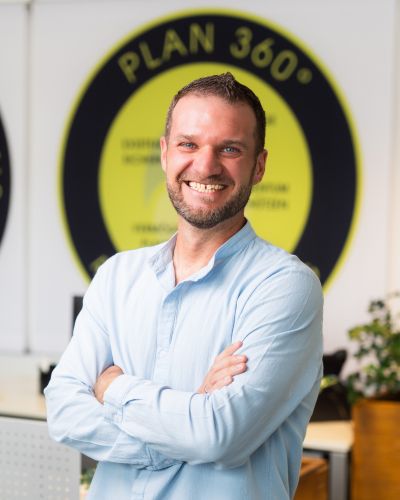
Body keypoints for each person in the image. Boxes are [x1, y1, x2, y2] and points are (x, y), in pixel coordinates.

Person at [45, 73, 323, 499]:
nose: (206, 166)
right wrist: (188, 418)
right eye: (188, 144)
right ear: (165, 153)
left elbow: (220, 434)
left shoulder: (285, 287)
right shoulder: (117, 277)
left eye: (230, 149)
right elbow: (64, 411)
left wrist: (112, 388)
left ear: (259, 165)